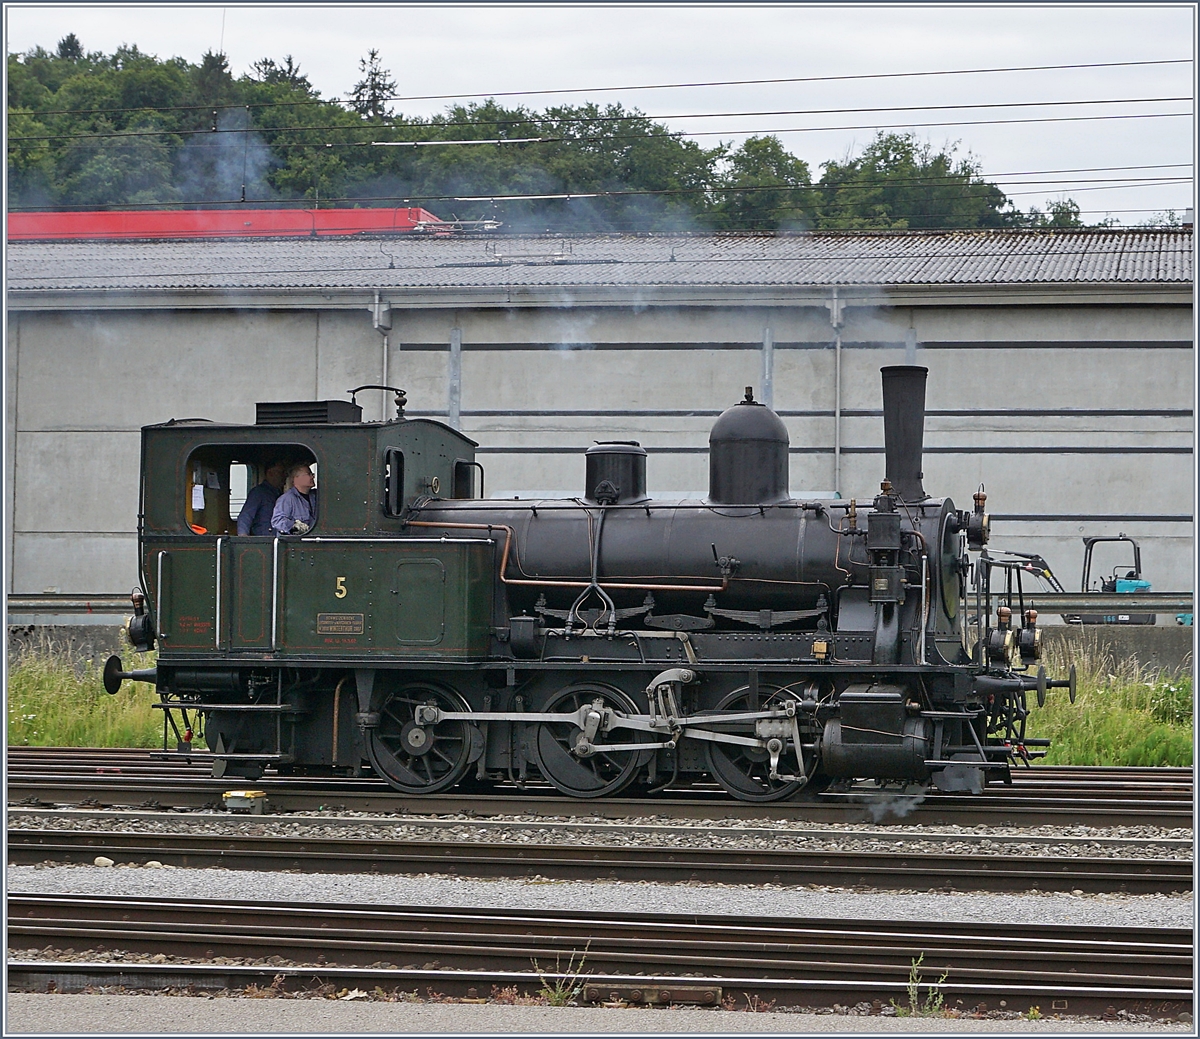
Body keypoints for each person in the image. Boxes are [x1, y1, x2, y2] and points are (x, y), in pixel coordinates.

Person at [236, 460, 287, 536]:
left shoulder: (281, 495)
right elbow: (246, 516)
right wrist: (243, 536)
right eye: (281, 472)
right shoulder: (258, 493)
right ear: (270, 473)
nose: (284, 476)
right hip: (263, 539)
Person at [271, 462, 318, 535]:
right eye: (308, 474)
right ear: (296, 478)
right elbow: (277, 521)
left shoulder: (316, 496)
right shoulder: (286, 499)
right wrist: (294, 526)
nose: (312, 477)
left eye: (312, 474)